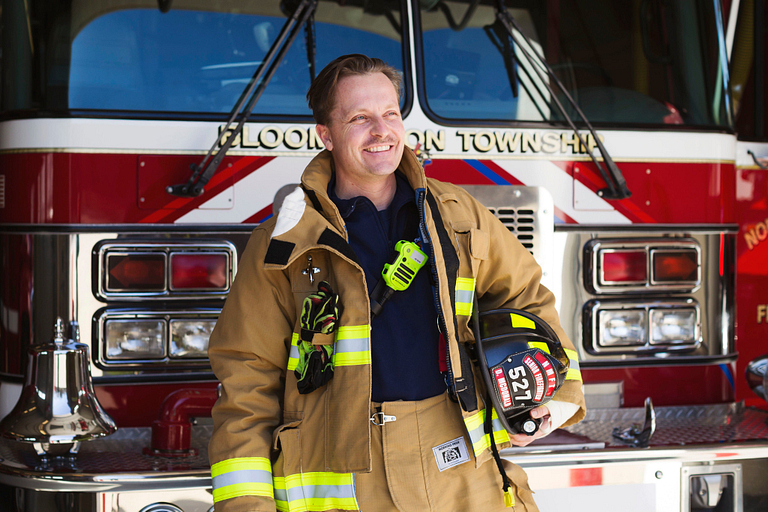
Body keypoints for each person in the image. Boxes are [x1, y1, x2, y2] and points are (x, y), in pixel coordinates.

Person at [208, 54, 585, 512]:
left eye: (390, 114)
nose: (382, 130)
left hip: (462, 472)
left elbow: (527, 296)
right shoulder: (284, 245)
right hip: (347, 483)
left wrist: (557, 391)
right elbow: (248, 379)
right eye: (360, 118)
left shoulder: (457, 215)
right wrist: (247, 504)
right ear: (325, 135)